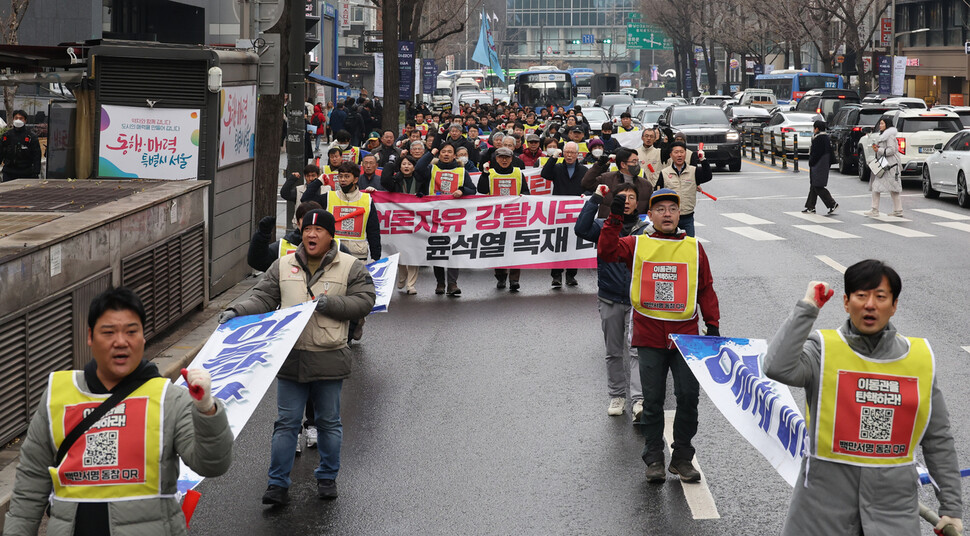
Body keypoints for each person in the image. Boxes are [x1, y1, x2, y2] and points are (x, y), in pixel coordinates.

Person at [3, 287, 232, 534]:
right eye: (108, 332)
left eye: (131, 332)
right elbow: (30, 485)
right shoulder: (58, 395)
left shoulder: (169, 398)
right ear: (90, 336)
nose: (120, 341)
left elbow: (213, 465)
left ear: (143, 337)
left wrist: (206, 408)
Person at [763, 260, 963, 536]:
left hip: (893, 513)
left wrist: (951, 509)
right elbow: (777, 367)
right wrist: (808, 308)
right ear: (846, 302)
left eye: (880, 297)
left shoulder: (919, 359)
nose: (870, 304)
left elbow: (938, 438)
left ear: (894, 306)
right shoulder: (823, 350)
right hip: (820, 513)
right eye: (861, 296)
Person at [220, 209, 376, 505]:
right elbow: (263, 298)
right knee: (286, 423)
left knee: (329, 422)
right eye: (306, 230)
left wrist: (330, 304)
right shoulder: (283, 264)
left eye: (318, 231)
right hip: (290, 359)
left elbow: (365, 300)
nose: (311, 235)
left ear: (331, 236)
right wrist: (236, 312)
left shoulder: (351, 266)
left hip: (330, 357)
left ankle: (327, 477)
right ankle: (277, 484)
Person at [597, 188, 720, 485]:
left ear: (680, 215)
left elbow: (704, 287)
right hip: (649, 333)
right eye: (660, 209)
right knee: (652, 401)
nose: (667, 214)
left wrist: (712, 324)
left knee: (689, 397)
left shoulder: (693, 247)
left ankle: (682, 458)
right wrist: (614, 217)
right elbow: (606, 251)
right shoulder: (637, 243)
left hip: (685, 336)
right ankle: (653, 457)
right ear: (649, 215)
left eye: (672, 209)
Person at [575, 183, 647, 419]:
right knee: (614, 351)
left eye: (631, 197)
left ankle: (639, 399)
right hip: (610, 297)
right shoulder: (602, 227)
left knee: (637, 351)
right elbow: (580, 228)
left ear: (637, 203)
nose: (626, 201)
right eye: (621, 198)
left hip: (639, 300)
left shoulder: (646, 229)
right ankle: (617, 396)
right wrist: (596, 198)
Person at [416, 142, 476, 296]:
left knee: (453, 251)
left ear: (455, 155)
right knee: (438, 250)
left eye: (450, 152)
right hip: (434, 217)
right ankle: (440, 282)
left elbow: (472, 190)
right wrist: (431, 152)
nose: (447, 154)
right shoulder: (431, 169)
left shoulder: (462, 171)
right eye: (443, 152)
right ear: (439, 154)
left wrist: (462, 191)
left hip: (454, 218)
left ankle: (452, 284)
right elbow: (418, 168)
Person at [478, 147, 530, 292]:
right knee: (498, 248)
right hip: (496, 218)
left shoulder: (518, 173)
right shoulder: (491, 173)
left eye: (507, 157)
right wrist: (484, 174)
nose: (504, 160)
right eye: (501, 157)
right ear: (496, 159)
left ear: (512, 158)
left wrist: (521, 198)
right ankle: (500, 276)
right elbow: (482, 190)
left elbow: (526, 191)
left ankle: (514, 279)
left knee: (515, 248)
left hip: (514, 217)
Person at [539, 141, 588, 288]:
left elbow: (590, 187)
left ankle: (571, 275)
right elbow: (544, 174)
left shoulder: (584, 170)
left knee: (574, 243)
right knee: (558, 243)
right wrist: (553, 157)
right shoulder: (558, 168)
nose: (570, 155)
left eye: (573, 152)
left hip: (576, 212)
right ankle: (556, 275)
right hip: (559, 212)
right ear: (563, 153)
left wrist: (585, 195)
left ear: (577, 154)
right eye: (567, 152)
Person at [248, 201, 324, 272]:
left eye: (316, 222)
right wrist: (262, 235)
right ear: (298, 223)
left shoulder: (332, 245)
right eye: (306, 220)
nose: (311, 224)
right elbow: (257, 262)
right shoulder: (283, 246)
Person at [655, 141, 712, 237]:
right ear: (671, 155)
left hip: (687, 217)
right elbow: (657, 192)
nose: (679, 155)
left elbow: (708, 176)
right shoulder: (664, 173)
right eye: (676, 152)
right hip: (670, 217)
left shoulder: (693, 171)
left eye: (682, 152)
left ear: (686, 154)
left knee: (688, 247)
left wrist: (703, 160)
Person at [582, 147, 655, 218]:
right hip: (609, 226)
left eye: (637, 161)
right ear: (623, 164)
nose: (637, 165)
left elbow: (650, 210)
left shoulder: (646, 185)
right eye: (634, 161)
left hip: (635, 227)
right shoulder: (606, 179)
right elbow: (587, 183)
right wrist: (599, 165)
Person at [867, 118, 903, 217]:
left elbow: (891, 150)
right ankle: (897, 210)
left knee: (887, 188)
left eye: (882, 123)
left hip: (890, 165)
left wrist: (878, 150)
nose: (880, 125)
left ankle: (875, 210)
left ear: (887, 125)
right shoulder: (884, 136)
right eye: (880, 123)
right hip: (886, 165)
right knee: (889, 187)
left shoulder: (889, 136)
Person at [805, 120, 838, 215]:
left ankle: (832, 204)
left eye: (814, 128)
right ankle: (810, 206)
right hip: (822, 164)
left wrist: (811, 162)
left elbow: (815, 154)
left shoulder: (819, 138)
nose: (813, 130)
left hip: (819, 165)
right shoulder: (825, 137)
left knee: (817, 185)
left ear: (817, 128)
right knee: (814, 185)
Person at [0, 110, 41, 181]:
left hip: (26, 173)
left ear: (25, 120)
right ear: (13, 119)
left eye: (21, 118)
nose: (18, 120)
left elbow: (37, 155)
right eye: (16, 118)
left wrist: (36, 172)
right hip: (9, 172)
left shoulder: (31, 137)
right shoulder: (7, 136)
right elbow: (1, 152)